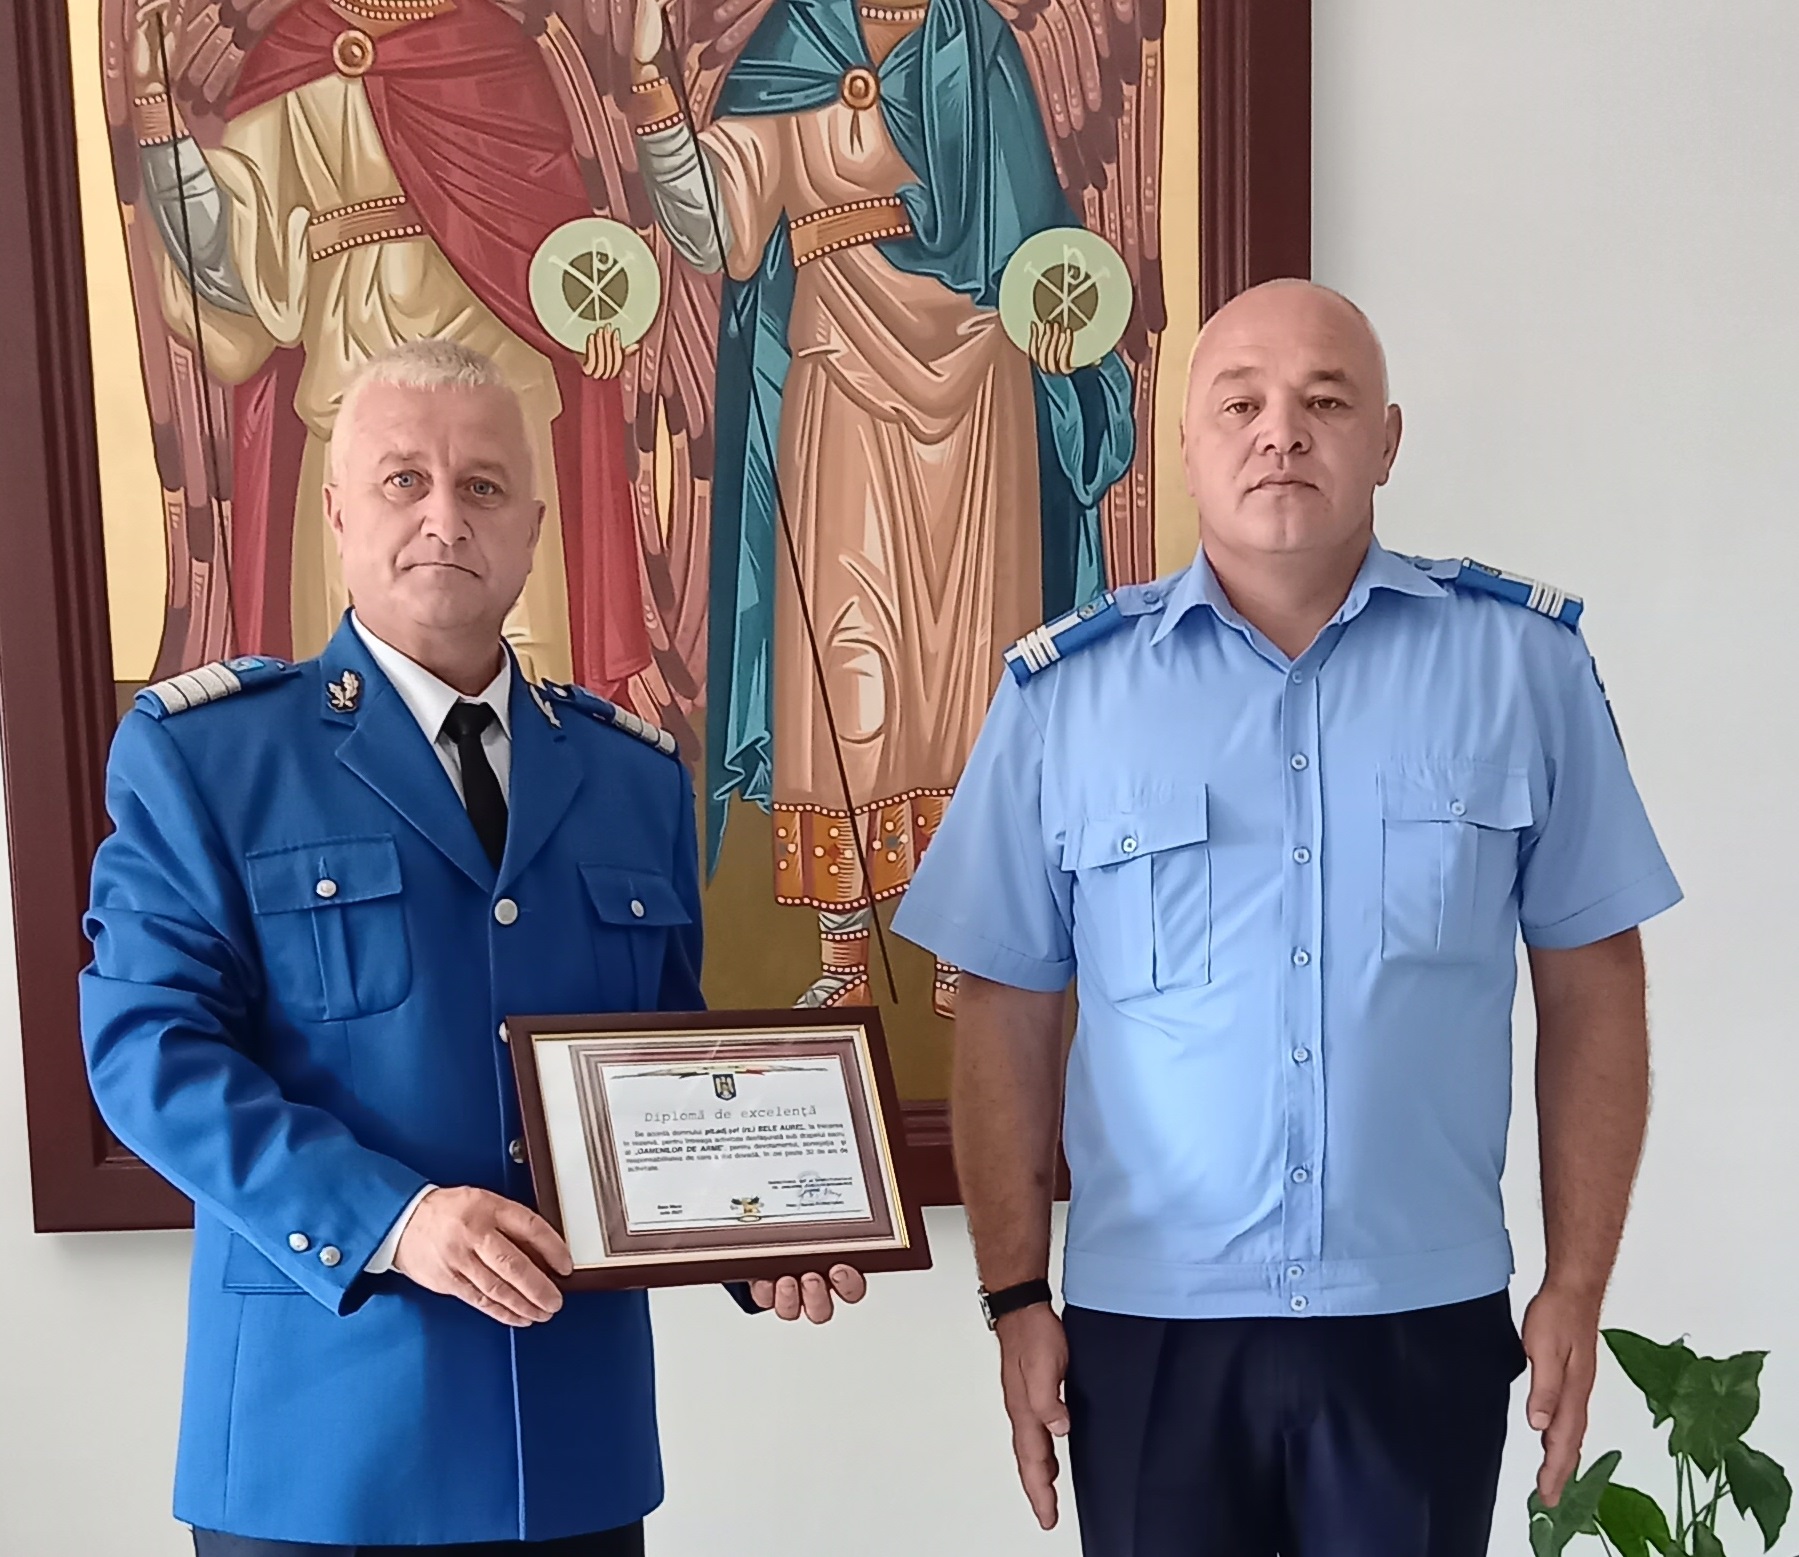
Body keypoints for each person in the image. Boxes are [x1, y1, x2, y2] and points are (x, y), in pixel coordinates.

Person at [892, 280, 1682, 1555]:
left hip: (1418, 1316)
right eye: (1240, 403)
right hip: (1149, 1328)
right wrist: (1014, 1293)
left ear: (1386, 440)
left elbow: (1593, 989)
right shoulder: (1063, 699)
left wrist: (1574, 1283)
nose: (1281, 432)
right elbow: (1004, 1011)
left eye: (1325, 401)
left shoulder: (1521, 671)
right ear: (1184, 444)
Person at [79, 339, 864, 1555]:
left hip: (566, 1447)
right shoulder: (209, 759)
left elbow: (663, 1060)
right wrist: (397, 1219)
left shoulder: (631, 779)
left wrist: (753, 1235)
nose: (444, 516)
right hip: (321, 1447)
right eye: (404, 479)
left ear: (534, 529)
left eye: (483, 485)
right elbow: (148, 1054)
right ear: (338, 512)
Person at [624, 0, 1136, 1013]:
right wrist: (652, 84)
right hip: (839, 361)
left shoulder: (974, 45)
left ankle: (963, 942)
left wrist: (1059, 325)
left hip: (979, 371)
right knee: (847, 643)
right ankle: (846, 955)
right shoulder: (793, 48)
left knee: (968, 659)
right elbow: (721, 231)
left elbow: (1034, 228)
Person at [121, 0, 645, 691]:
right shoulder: (298, 52)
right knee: (350, 658)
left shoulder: (491, 49)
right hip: (350, 372)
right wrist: (156, 116)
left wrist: (587, 327)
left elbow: (552, 232)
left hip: (497, 368)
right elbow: (229, 252)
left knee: (521, 642)